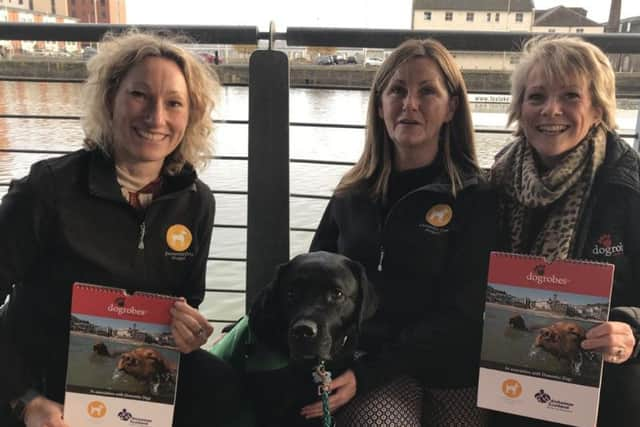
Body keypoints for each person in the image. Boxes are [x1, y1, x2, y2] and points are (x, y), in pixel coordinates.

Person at [0, 31, 241, 427]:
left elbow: (187, 302)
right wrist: (24, 400)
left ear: (191, 115)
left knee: (222, 386)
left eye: (174, 103)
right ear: (110, 99)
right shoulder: (48, 188)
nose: (156, 118)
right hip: (41, 379)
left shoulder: (196, 201)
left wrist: (187, 332)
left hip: (131, 378)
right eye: (139, 95)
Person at [307, 38, 496, 426]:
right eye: (397, 90)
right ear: (379, 105)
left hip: (452, 370)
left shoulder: (477, 197)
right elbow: (314, 278)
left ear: (452, 107)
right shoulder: (351, 193)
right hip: (372, 366)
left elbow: (463, 314)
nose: (410, 104)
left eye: (427, 91)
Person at [489, 35, 640, 427]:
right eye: (536, 96)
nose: (550, 110)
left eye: (571, 96)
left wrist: (632, 333)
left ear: (598, 109)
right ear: (519, 108)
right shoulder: (495, 184)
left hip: (606, 390)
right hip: (512, 382)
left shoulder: (628, 189)